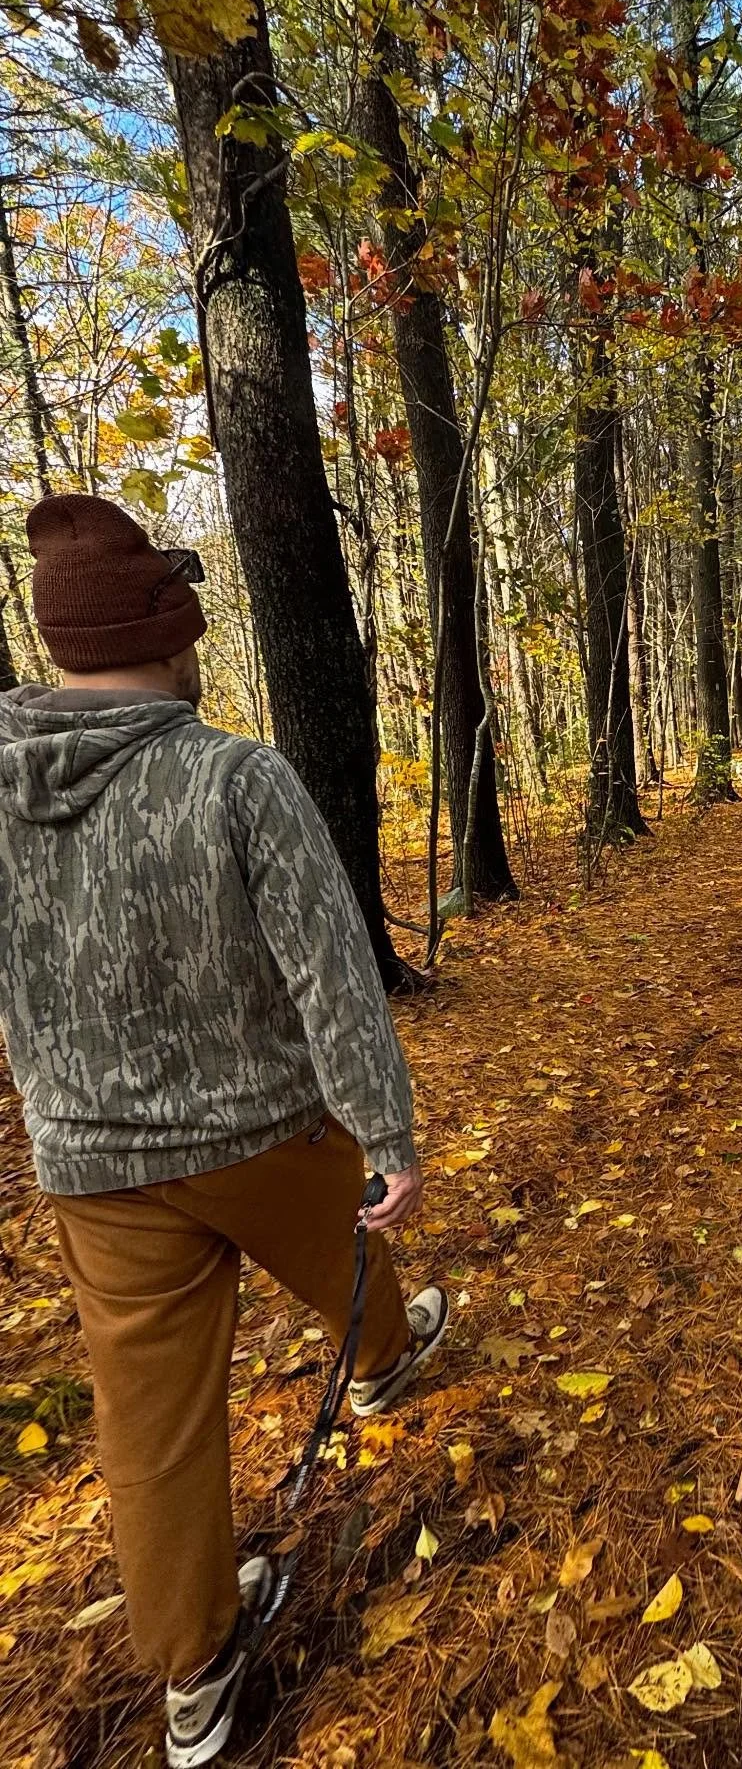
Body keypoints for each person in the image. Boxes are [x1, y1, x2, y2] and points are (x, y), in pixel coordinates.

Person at [0, 495, 448, 1768]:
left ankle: (193, 1674)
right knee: (355, 1250)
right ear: (167, 626)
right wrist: (389, 1132)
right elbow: (331, 976)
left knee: (147, 1427)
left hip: (93, 1166)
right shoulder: (234, 776)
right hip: (261, 1128)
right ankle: (380, 1365)